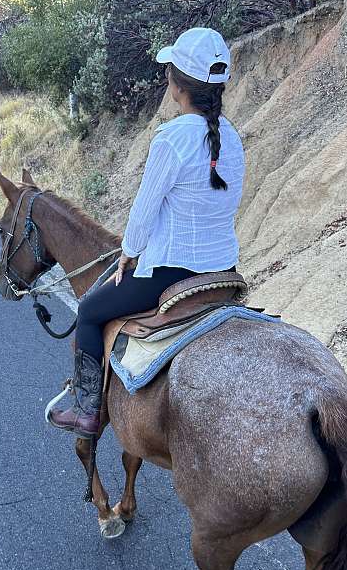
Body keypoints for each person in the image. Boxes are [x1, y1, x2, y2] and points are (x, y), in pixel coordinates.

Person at [48, 27, 245, 438]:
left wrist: (129, 251)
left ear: (176, 84)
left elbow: (143, 212)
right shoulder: (232, 138)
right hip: (223, 269)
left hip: (172, 274)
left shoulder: (172, 138)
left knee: (88, 312)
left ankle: (87, 412)